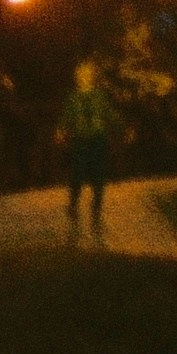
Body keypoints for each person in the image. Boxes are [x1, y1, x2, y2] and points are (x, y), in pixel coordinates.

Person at [57, 60, 117, 242]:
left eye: (87, 74)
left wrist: (123, 127)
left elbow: (110, 114)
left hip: (98, 139)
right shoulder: (73, 97)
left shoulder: (100, 96)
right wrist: (61, 129)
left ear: (92, 76)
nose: (84, 77)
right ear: (77, 77)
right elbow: (66, 116)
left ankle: (96, 210)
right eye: (81, 74)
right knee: (78, 173)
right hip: (80, 139)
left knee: (98, 175)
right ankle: (73, 205)